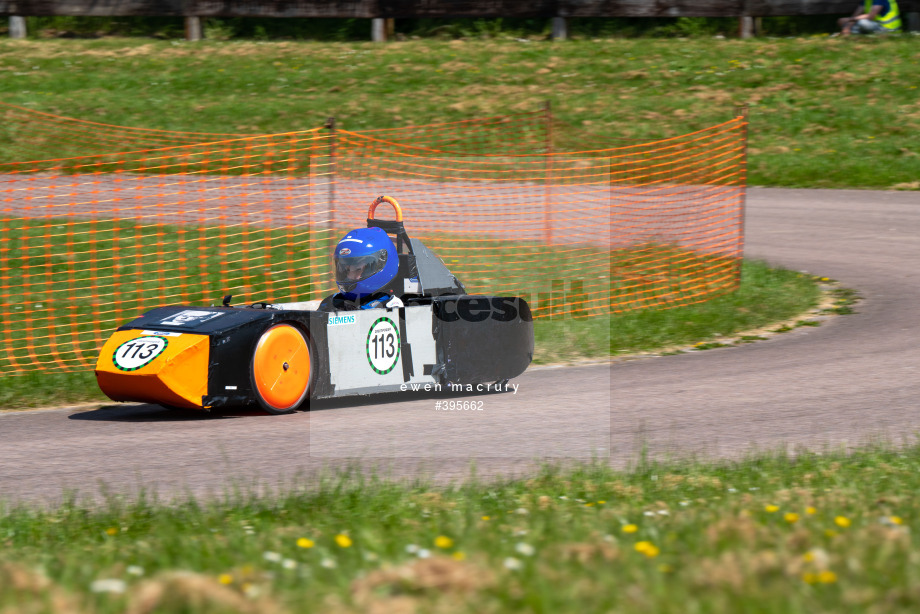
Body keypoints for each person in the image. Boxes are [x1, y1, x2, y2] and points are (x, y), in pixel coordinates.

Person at [319, 226, 404, 311]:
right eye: (346, 270)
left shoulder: (390, 305)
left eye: (358, 269)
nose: (350, 276)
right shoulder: (332, 302)